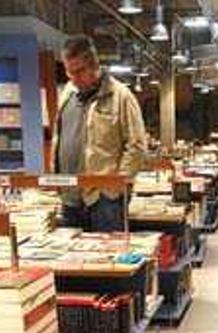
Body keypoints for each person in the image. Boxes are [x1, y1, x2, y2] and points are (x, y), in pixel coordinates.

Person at [51, 35, 147, 232]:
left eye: (79, 71)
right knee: (73, 260)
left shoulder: (120, 96)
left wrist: (117, 186)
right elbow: (59, 136)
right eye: (69, 72)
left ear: (94, 65)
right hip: (70, 195)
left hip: (104, 199)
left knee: (109, 256)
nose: (73, 78)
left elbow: (136, 146)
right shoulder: (68, 94)